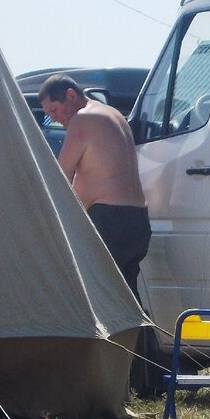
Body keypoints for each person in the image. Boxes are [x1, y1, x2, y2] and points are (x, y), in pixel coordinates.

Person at [39, 74, 151, 301]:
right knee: (127, 298)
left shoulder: (83, 118)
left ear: (71, 95)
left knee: (104, 299)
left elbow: (59, 177)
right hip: (136, 219)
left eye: (55, 110)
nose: (55, 118)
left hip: (109, 219)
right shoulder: (115, 115)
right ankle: (142, 338)